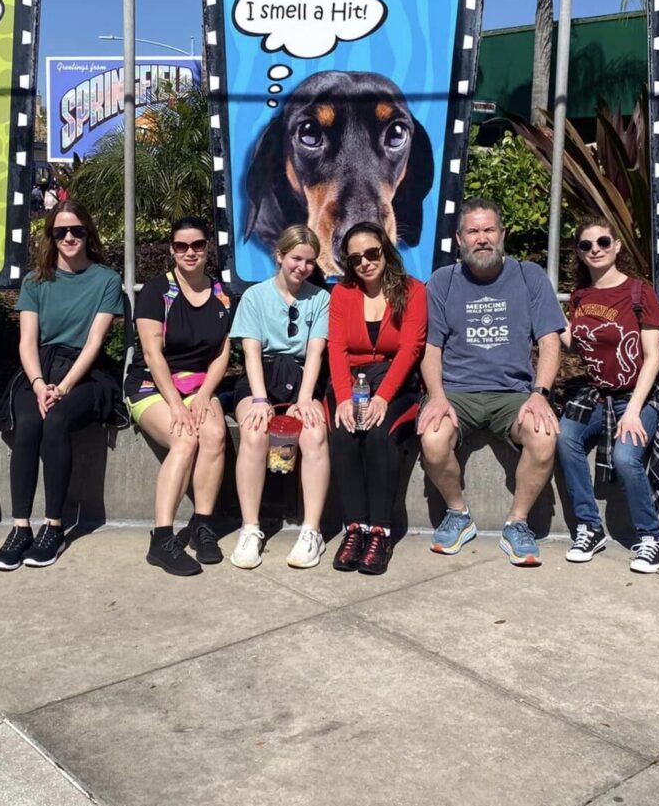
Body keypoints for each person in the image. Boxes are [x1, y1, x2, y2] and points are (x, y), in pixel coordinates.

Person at [417, 198, 567, 566]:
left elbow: (549, 342)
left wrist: (540, 394)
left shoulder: (529, 276)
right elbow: (431, 348)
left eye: (489, 230)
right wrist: (436, 396)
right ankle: (458, 514)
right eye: (473, 231)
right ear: (459, 239)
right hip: (457, 391)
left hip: (514, 394)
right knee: (433, 440)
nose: (482, 239)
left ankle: (517, 524)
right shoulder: (442, 281)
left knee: (544, 436)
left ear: (502, 234)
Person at [0, 202, 125, 571]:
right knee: (29, 422)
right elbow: (27, 341)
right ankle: (20, 528)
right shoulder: (36, 281)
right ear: (51, 236)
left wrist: (62, 387)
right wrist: (38, 384)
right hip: (38, 367)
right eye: (61, 232)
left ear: (88, 234)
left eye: (77, 230)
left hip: (83, 371)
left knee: (56, 420)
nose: (69, 237)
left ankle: (54, 526)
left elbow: (96, 341)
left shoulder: (106, 280)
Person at [558, 217, 659, 574]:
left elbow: (653, 357)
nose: (595, 250)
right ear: (578, 252)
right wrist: (544, 312)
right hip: (597, 395)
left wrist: (634, 411)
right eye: (586, 245)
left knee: (626, 458)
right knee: (565, 439)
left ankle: (650, 537)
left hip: (638, 397)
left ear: (617, 246)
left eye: (603, 242)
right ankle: (590, 528)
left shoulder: (639, 293)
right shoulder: (580, 296)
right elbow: (576, 346)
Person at [127, 217, 233, 576]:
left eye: (198, 245)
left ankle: (203, 527)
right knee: (185, 439)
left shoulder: (221, 294)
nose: (190, 252)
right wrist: (175, 404)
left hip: (199, 386)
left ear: (208, 248)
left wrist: (204, 395)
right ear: (172, 249)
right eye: (182, 246)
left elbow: (222, 353)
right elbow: (153, 353)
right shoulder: (157, 292)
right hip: (151, 387)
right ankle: (162, 539)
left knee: (216, 435)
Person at [326, 223, 427, 575]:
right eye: (356, 258)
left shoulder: (412, 290)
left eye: (372, 253)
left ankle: (380, 531)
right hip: (351, 383)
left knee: (379, 432)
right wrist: (341, 398)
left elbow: (410, 348)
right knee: (344, 431)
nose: (365, 263)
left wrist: (383, 396)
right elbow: (336, 348)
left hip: (395, 384)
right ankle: (354, 528)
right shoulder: (342, 294)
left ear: (385, 250)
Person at [229, 223, 331, 570]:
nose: (302, 267)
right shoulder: (255, 297)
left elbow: (315, 352)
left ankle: (311, 531)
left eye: (309, 261)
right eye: (296, 258)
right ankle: (250, 528)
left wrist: (305, 400)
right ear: (280, 256)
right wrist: (259, 400)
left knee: (314, 433)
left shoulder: (321, 299)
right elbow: (251, 352)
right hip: (263, 378)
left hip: (302, 377)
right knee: (255, 433)